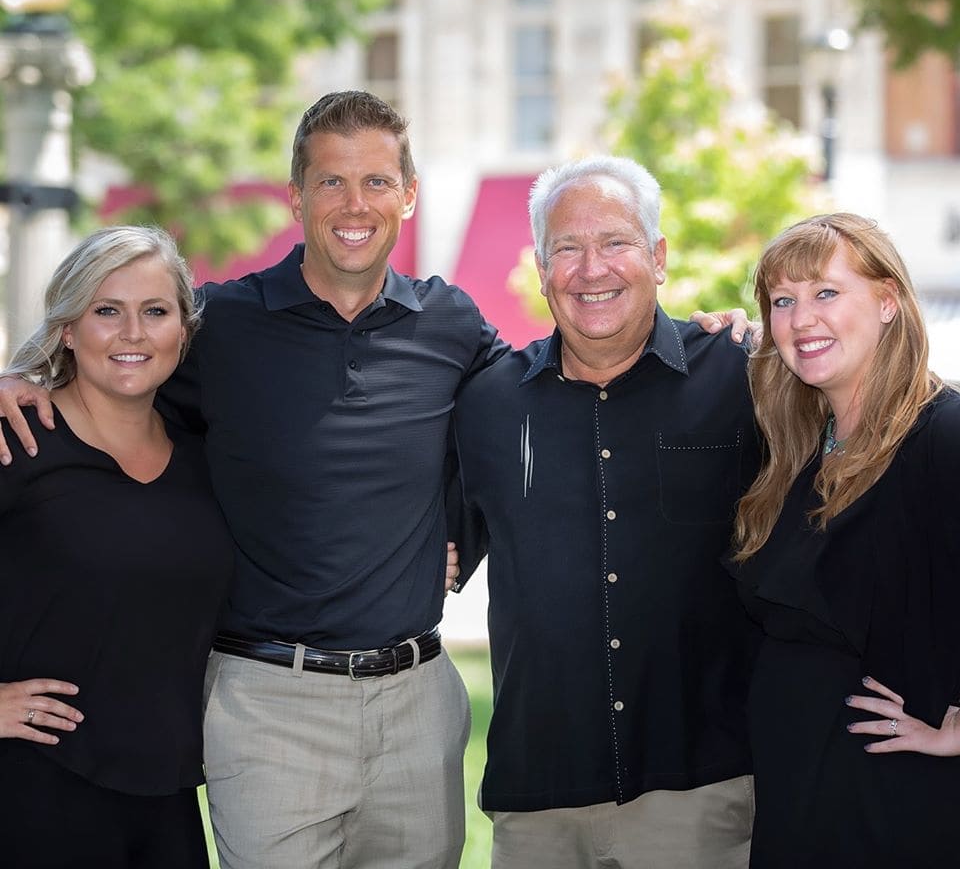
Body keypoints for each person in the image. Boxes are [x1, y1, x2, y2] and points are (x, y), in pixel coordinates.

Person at [0, 91, 499, 869]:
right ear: (296, 198)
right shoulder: (219, 326)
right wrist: (18, 374)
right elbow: (117, 357)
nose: (354, 204)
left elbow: (537, 404)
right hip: (269, 703)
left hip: (417, 703)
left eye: (375, 181)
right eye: (331, 182)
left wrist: (461, 537)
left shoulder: (453, 324)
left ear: (409, 195)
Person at [449, 155, 761, 869]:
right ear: (540, 267)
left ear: (657, 256)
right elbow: (428, 543)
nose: (592, 269)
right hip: (540, 801)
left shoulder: (742, 374)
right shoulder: (489, 402)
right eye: (567, 248)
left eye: (615, 242)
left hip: (701, 788)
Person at [728, 213, 960, 867]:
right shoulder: (800, 453)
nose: (802, 318)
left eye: (826, 292)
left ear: (889, 302)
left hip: (895, 812)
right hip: (799, 804)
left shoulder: (942, 436)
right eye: (783, 300)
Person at [0, 226, 234, 868]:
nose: (133, 332)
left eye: (155, 311)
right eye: (107, 310)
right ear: (68, 329)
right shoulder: (15, 443)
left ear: (182, 332)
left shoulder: (204, 460)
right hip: (33, 793)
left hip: (168, 800)